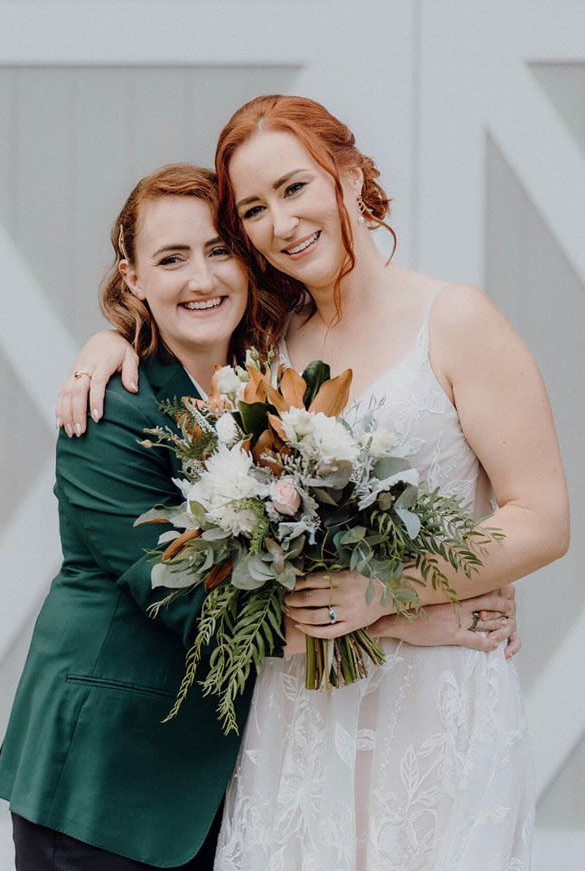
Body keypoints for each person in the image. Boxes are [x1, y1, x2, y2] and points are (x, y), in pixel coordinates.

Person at [55, 93, 560, 869]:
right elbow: (171, 339)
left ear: (349, 175)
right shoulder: (266, 340)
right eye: (252, 209)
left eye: (294, 188)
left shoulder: (456, 318)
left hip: (433, 703)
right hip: (297, 713)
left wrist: (391, 591)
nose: (280, 223)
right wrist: (103, 342)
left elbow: (540, 517)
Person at [0, 163, 285, 870]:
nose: (203, 278)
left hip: (216, 784)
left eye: (220, 250)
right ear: (132, 279)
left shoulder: (273, 394)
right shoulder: (112, 407)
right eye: (172, 258)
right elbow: (177, 589)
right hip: (107, 779)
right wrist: (402, 618)